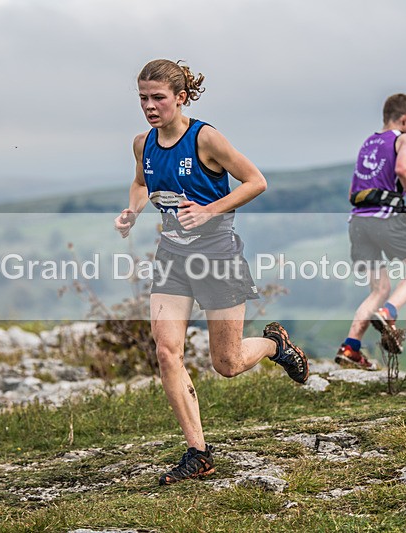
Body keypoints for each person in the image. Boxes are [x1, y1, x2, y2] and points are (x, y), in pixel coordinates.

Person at [114, 59, 309, 486]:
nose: (149, 106)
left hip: (217, 256)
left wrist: (209, 210)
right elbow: (141, 182)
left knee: (228, 362)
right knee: (167, 351)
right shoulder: (141, 143)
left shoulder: (205, 138)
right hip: (172, 258)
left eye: (158, 98)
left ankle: (274, 345)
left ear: (180, 97)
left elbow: (255, 181)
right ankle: (198, 452)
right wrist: (132, 211)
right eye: (143, 98)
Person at [335, 94, 406, 367]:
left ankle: (350, 348)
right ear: (405, 119)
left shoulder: (368, 143)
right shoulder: (404, 138)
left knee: (379, 288)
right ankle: (389, 312)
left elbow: (354, 188)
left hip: (358, 222)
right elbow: (402, 168)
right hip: (385, 219)